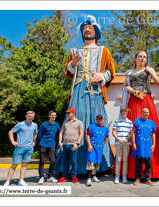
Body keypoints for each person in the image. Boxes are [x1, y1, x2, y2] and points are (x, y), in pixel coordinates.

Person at [54, 15, 115, 175]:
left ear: (97, 32)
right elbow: (68, 72)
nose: (87, 30)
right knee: (73, 122)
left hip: (95, 91)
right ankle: (69, 167)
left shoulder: (104, 51)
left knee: (97, 121)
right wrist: (73, 63)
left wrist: (102, 76)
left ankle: (99, 166)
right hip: (78, 91)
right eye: (85, 28)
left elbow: (110, 71)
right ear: (82, 33)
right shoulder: (74, 51)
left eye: (91, 28)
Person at [113, 50, 159, 179]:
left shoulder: (148, 69)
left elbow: (158, 82)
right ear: (135, 59)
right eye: (140, 57)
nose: (142, 59)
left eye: (145, 57)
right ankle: (130, 172)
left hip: (146, 99)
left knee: (150, 130)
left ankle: (152, 172)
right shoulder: (129, 72)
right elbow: (123, 87)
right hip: (133, 101)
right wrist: (128, 89)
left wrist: (151, 71)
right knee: (132, 130)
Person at [3, 111, 38, 186]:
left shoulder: (35, 125)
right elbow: (10, 132)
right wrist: (13, 142)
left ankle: (21, 181)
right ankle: (7, 181)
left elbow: (35, 134)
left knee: (24, 164)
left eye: (32, 116)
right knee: (14, 165)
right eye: (29, 116)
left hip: (29, 148)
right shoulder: (20, 124)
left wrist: (34, 142)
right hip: (20, 147)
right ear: (26, 116)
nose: (30, 117)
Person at [57, 108, 84, 184]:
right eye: (67, 113)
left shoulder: (79, 122)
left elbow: (81, 133)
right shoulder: (65, 122)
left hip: (73, 145)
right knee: (65, 161)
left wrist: (77, 143)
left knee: (74, 161)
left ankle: (74, 177)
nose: (67, 114)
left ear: (73, 113)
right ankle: (64, 176)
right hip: (65, 145)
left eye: (69, 113)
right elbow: (61, 132)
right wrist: (60, 142)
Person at [132, 108, 157, 186]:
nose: (146, 113)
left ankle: (147, 179)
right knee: (138, 163)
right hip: (139, 145)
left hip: (148, 145)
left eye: (147, 112)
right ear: (142, 113)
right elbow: (133, 132)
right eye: (145, 112)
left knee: (148, 163)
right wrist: (133, 143)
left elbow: (153, 134)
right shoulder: (137, 121)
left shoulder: (151, 122)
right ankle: (137, 178)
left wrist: (154, 144)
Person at [37, 110, 61, 185]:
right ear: (49, 116)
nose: (54, 116)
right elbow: (39, 135)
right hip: (43, 144)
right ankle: (41, 177)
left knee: (53, 161)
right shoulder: (44, 124)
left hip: (52, 145)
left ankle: (50, 176)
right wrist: (42, 141)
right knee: (42, 161)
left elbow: (60, 132)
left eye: (55, 115)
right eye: (52, 115)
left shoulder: (57, 125)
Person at [85, 115, 109, 187]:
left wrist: (103, 144)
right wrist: (89, 145)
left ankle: (94, 177)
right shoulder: (92, 127)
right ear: (96, 119)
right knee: (90, 162)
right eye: (99, 119)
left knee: (97, 163)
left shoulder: (105, 128)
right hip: (92, 147)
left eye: (101, 119)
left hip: (99, 148)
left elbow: (107, 136)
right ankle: (88, 179)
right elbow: (87, 136)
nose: (100, 120)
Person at [112, 107, 133, 184]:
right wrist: (118, 139)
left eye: (126, 111)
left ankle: (124, 176)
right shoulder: (117, 121)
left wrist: (127, 139)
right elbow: (113, 132)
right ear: (121, 112)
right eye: (123, 111)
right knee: (118, 160)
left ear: (127, 113)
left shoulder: (130, 122)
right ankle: (117, 176)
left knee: (125, 160)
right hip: (118, 143)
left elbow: (131, 133)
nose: (124, 112)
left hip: (126, 143)